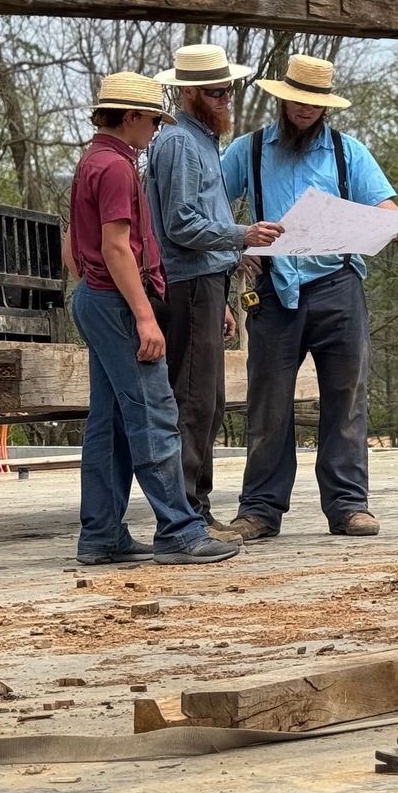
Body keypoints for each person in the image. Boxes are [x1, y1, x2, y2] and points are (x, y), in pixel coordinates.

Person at [220, 54, 398, 540]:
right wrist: (236, 246)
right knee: (268, 403)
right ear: (283, 99)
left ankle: (349, 505)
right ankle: (259, 511)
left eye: (315, 103)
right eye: (298, 101)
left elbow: (385, 206)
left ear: (325, 106)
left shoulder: (346, 151)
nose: (305, 110)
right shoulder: (247, 151)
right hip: (272, 291)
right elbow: (210, 208)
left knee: (346, 397)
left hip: (337, 286)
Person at [65, 72, 241, 566]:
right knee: (155, 412)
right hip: (118, 300)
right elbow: (116, 247)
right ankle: (179, 529)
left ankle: (100, 534)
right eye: (151, 121)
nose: (154, 131)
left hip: (95, 298)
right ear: (133, 117)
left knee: (111, 422)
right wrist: (144, 316)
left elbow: (74, 249)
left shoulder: (92, 161)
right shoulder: (118, 168)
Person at [146, 44, 285, 534]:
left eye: (229, 88)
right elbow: (181, 223)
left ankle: (195, 510)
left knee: (208, 401)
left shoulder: (204, 141)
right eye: (214, 90)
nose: (225, 96)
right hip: (184, 286)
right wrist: (241, 235)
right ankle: (184, 517)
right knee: (191, 400)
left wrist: (224, 287)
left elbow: (199, 223)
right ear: (188, 93)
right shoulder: (180, 143)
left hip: (204, 285)